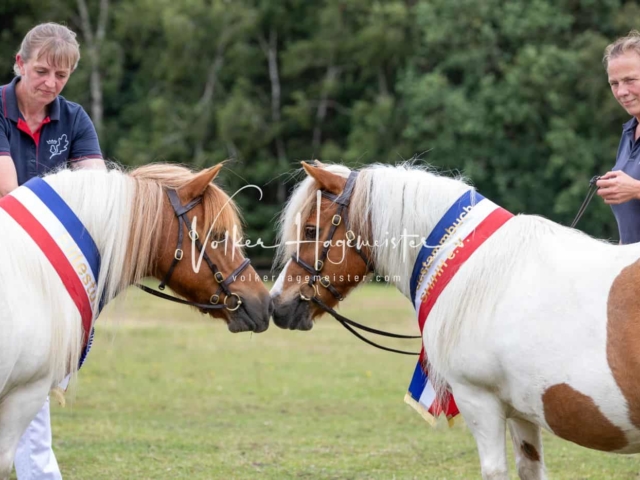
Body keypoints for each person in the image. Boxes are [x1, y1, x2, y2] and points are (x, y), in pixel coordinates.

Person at [0, 22, 105, 479]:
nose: (50, 84)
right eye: (41, 71)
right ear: (19, 63)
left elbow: (98, 196)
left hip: (41, 269)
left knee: (30, 401)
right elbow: (9, 198)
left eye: (61, 76)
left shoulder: (74, 118)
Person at [597, 31, 640, 244]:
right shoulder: (629, 131)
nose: (622, 91)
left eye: (630, 80)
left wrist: (635, 189)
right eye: (614, 83)